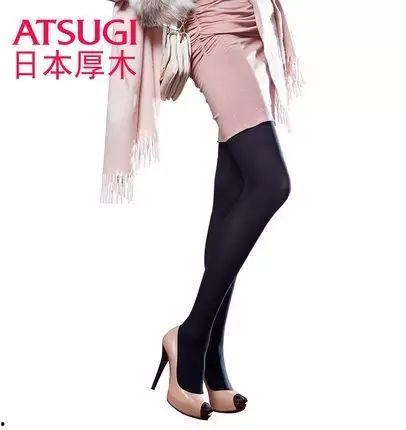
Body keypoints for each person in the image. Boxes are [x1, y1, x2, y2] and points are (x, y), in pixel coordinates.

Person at [106, 0, 303, 420]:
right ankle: (190, 336)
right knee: (271, 183)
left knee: (236, 191)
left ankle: (211, 355)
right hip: (211, 29)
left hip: (252, 25)